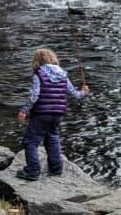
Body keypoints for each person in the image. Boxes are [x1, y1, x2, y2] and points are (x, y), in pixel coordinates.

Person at [16, 48, 89, 181]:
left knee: (31, 141)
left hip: (41, 114)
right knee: (52, 138)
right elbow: (75, 94)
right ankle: (56, 168)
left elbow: (34, 95)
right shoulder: (63, 74)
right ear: (52, 58)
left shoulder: (39, 74)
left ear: (37, 61)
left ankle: (32, 171)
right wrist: (83, 92)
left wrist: (24, 111)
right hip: (58, 114)